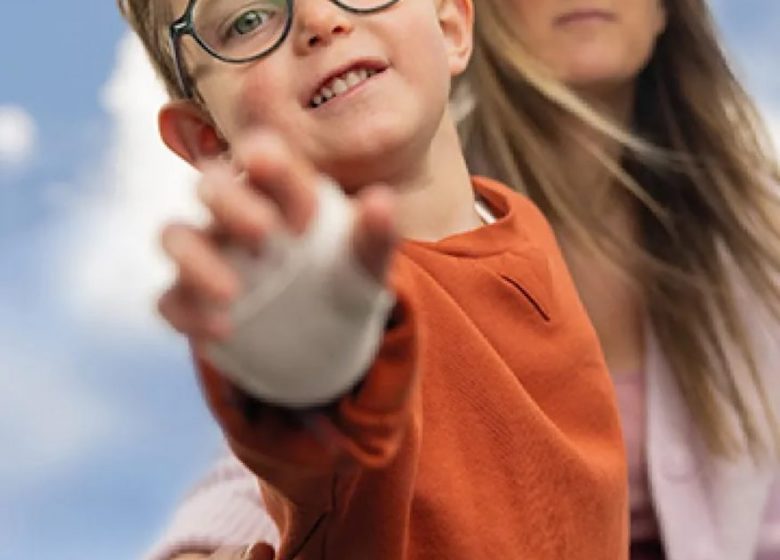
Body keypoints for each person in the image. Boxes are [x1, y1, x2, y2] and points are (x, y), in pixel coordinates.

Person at [143, 0, 780, 558]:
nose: (319, 18)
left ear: (452, 21)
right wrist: (303, 384)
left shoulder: (514, 225)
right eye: (247, 19)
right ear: (208, 141)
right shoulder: (341, 286)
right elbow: (307, 443)